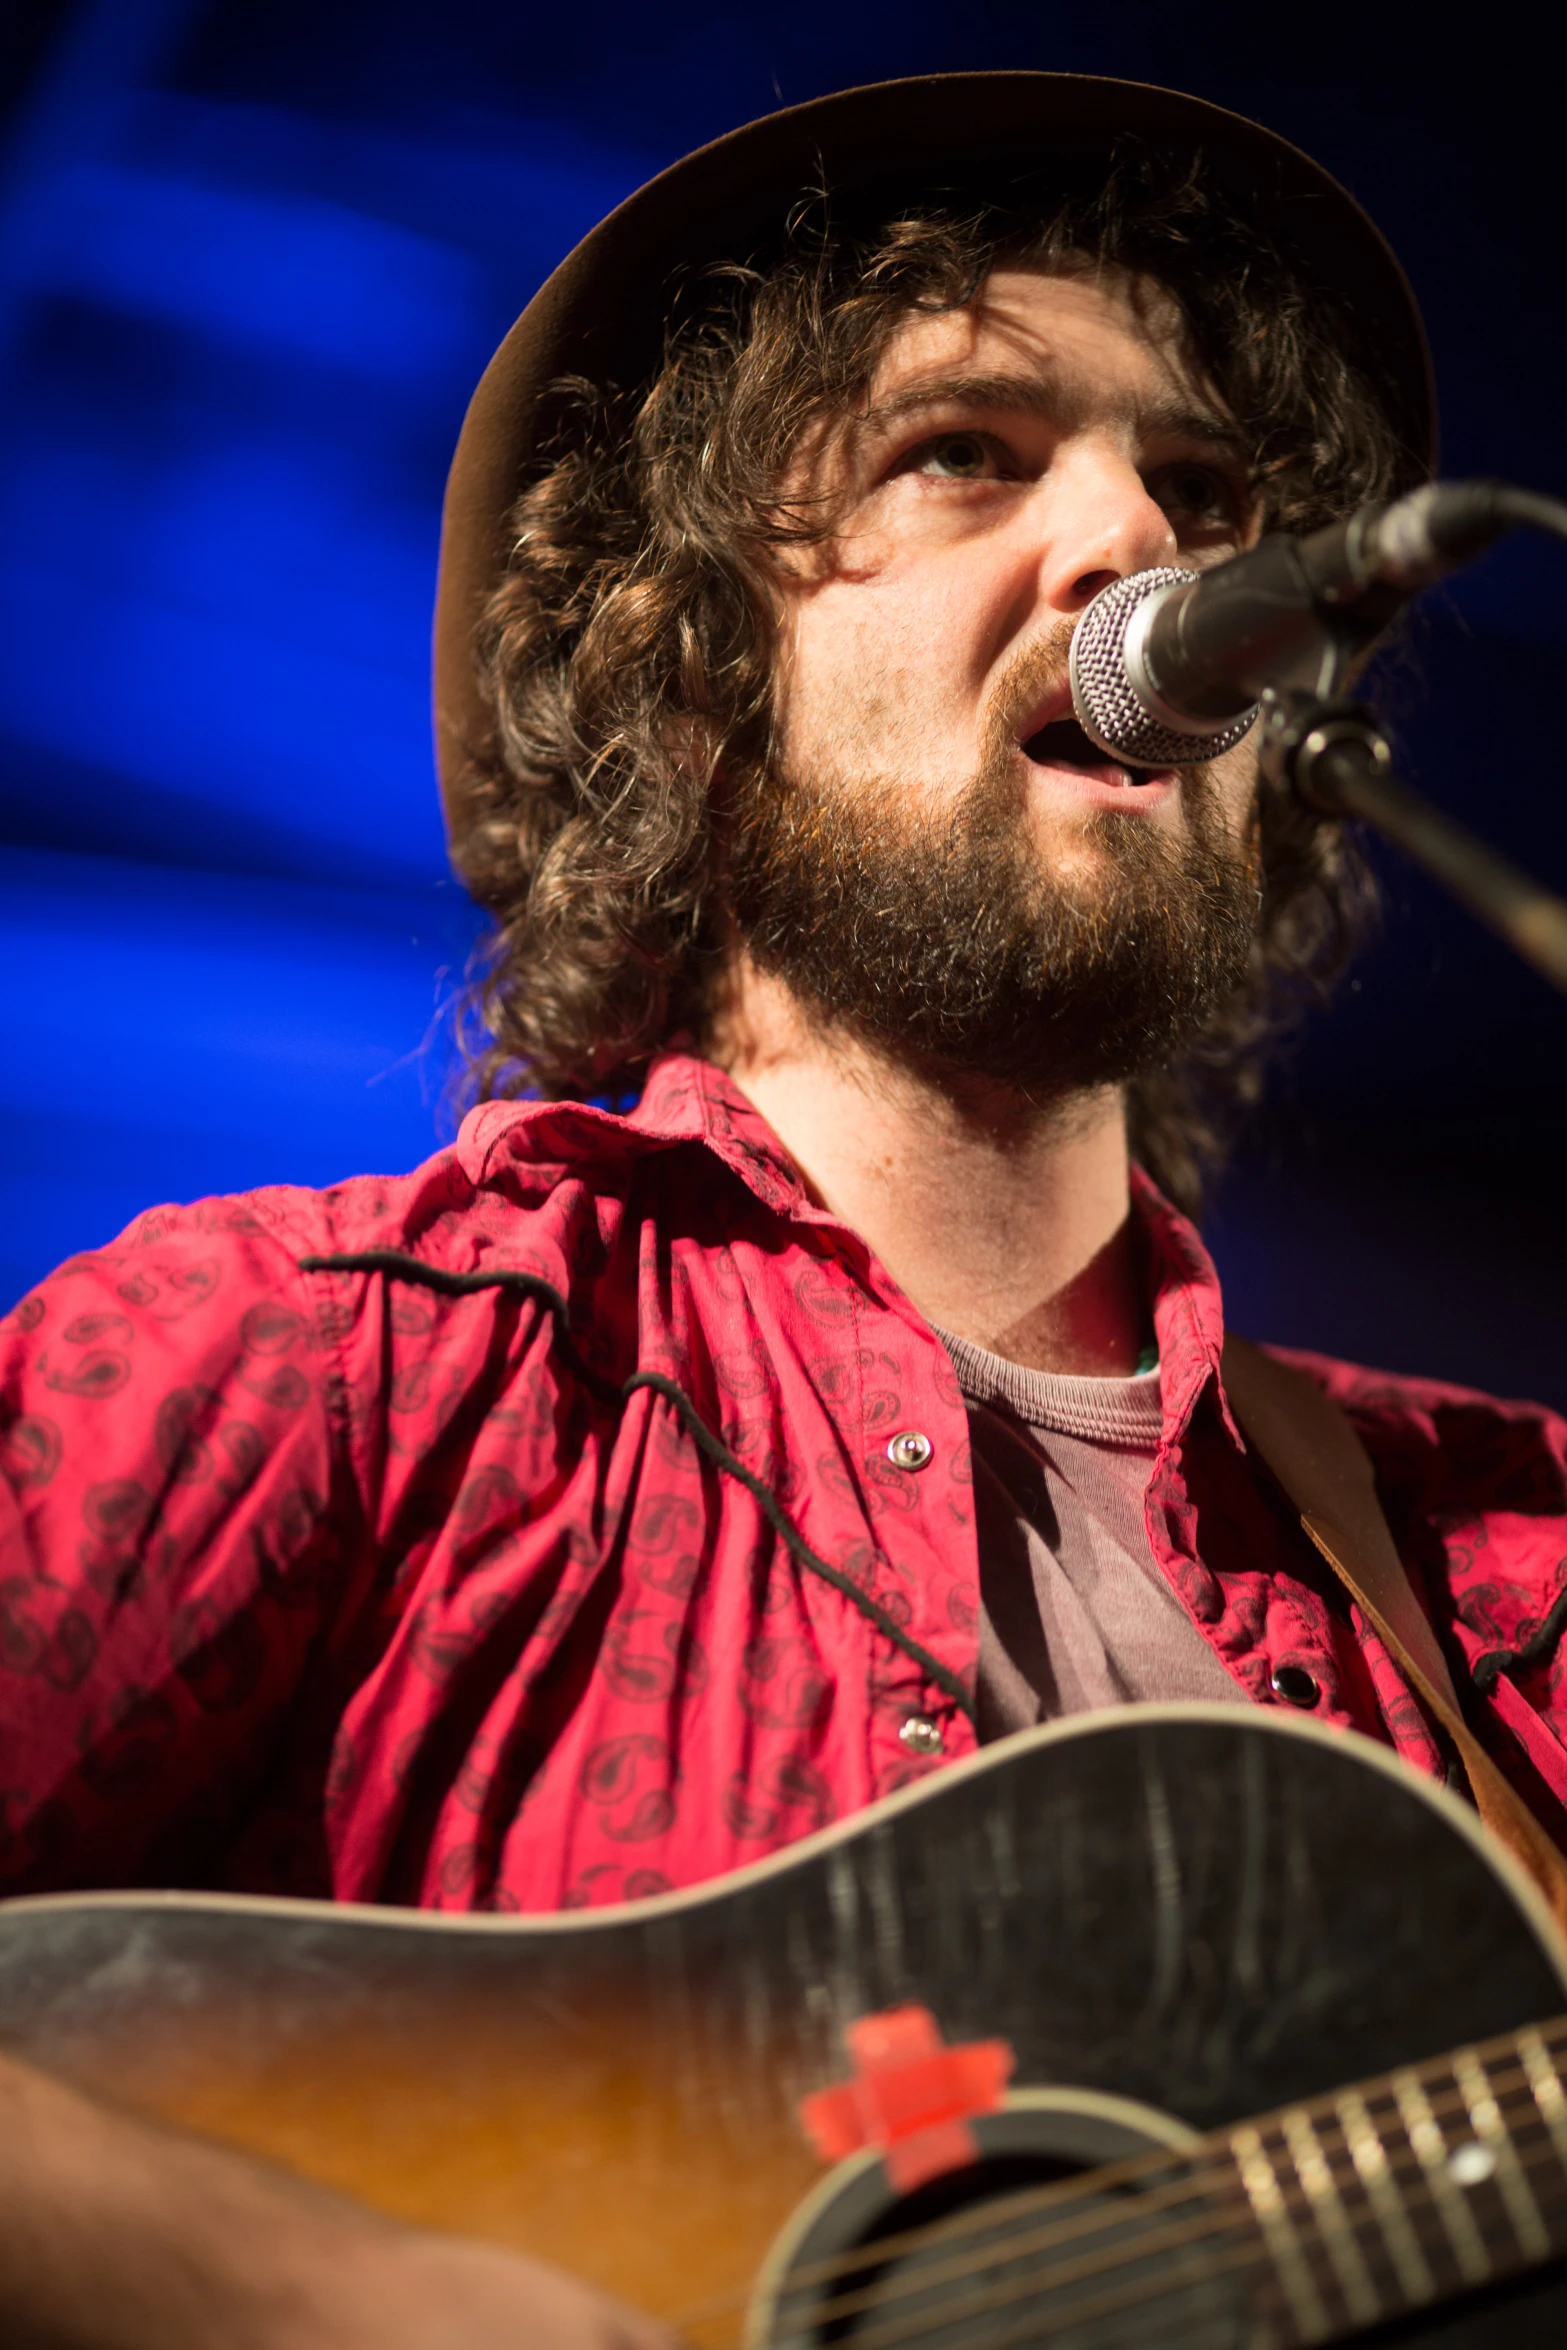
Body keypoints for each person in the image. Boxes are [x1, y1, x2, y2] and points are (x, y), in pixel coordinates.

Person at [2, 66, 1566, 2348]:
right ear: (689, 665)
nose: (1145, 545)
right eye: (971, 450)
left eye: (1205, 483)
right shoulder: (340, 1354)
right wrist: (337, 2284)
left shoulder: (1505, 1569)